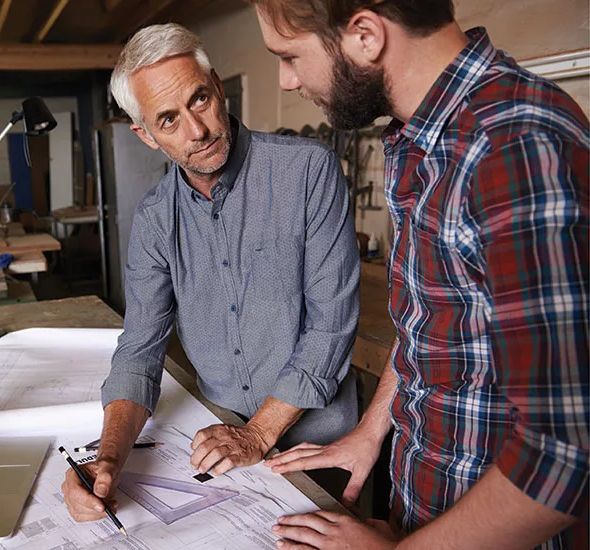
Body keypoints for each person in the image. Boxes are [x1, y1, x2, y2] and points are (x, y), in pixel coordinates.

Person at [251, 1, 589, 548]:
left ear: (365, 35)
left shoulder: (514, 144)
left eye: (290, 55)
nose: (286, 81)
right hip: (427, 515)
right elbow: (430, 321)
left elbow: (565, 456)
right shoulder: (419, 138)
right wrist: (371, 431)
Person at [61, 23, 361, 523]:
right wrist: (107, 458)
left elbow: (330, 328)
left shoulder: (308, 172)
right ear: (147, 135)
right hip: (219, 448)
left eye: (199, 100)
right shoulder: (156, 219)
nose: (196, 131)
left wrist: (257, 435)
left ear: (218, 87)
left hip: (317, 450)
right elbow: (139, 348)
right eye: (168, 120)